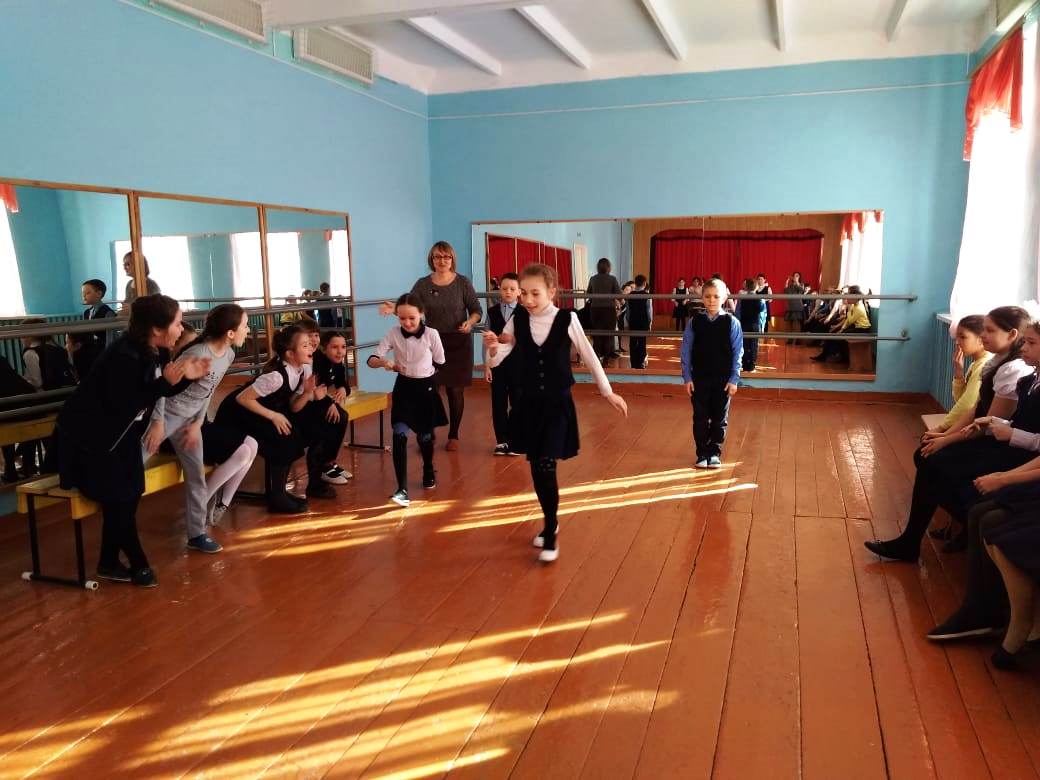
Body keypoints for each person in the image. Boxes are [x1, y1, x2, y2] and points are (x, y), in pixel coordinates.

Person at [50, 294, 210, 587]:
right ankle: (139, 564)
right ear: (156, 329)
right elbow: (124, 403)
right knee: (119, 499)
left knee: (130, 494)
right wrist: (166, 383)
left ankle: (108, 562)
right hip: (89, 442)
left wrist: (187, 378)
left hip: (120, 438)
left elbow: (159, 391)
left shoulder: (155, 350)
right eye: (177, 323)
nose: (181, 328)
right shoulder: (124, 355)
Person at [864, 307, 1036, 563]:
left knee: (934, 462)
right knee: (927, 457)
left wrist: (947, 438)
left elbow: (985, 424)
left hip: (1003, 447)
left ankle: (925, 536)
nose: (984, 335)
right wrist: (945, 436)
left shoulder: (1015, 370)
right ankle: (952, 525)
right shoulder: (997, 362)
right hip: (994, 438)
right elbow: (976, 409)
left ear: (1012, 334)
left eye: (990, 331)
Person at [484, 263, 628, 563]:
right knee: (538, 466)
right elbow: (499, 359)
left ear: (551, 292)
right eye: (523, 293)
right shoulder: (517, 320)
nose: (527, 300)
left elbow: (589, 355)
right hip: (528, 404)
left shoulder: (567, 319)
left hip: (556, 404)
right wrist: (493, 348)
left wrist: (607, 392)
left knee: (546, 464)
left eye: (534, 293)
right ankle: (551, 520)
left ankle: (550, 530)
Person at [143, 304, 258, 551]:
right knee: (134, 461)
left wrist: (197, 423)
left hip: (189, 422)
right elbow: (163, 389)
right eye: (245, 325)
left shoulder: (228, 355)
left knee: (196, 477)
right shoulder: (197, 353)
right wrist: (157, 423)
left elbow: (208, 392)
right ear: (230, 332)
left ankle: (196, 534)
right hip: (166, 416)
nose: (248, 330)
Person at [216, 324, 338, 513]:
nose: (311, 347)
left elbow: (294, 406)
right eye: (305, 345)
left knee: (293, 434)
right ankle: (277, 497)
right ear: (290, 354)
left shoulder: (301, 370)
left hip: (261, 410)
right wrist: (274, 416)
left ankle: (279, 492)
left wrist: (307, 392)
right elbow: (242, 398)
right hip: (238, 414)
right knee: (284, 439)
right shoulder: (276, 377)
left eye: (310, 343)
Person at [381, 241, 481, 451]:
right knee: (429, 389)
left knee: (455, 391)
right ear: (432, 259)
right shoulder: (423, 284)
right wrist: (395, 308)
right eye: (437, 257)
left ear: (452, 259)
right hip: (430, 343)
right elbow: (410, 306)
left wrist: (470, 322)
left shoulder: (463, 282)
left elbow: (476, 310)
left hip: (458, 342)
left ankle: (454, 435)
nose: (442, 261)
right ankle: (428, 432)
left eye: (446, 257)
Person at [368, 294, 447, 506]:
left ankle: (428, 468)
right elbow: (372, 359)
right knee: (399, 434)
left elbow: (440, 361)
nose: (407, 323)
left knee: (425, 436)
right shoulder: (393, 333)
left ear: (421, 314)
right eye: (402, 318)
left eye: (412, 318)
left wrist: (425, 375)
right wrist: (384, 363)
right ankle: (401, 489)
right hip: (403, 388)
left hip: (425, 388)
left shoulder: (431, 334)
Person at [681, 279, 743, 469]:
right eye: (707, 296)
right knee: (700, 417)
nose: (712, 300)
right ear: (702, 298)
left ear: (724, 298)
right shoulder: (695, 322)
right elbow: (686, 350)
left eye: (716, 296)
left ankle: (714, 451)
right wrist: (687, 377)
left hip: (723, 380)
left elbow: (737, 352)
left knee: (719, 418)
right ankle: (702, 453)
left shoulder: (732, 322)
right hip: (699, 378)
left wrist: (734, 379)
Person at [925, 315, 991, 435]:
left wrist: (942, 427)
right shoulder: (976, 364)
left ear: (981, 339)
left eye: (963, 337)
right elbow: (960, 399)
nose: (957, 342)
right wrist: (959, 372)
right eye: (957, 337)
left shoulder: (984, 365)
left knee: (927, 441)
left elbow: (967, 405)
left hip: (978, 429)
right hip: (970, 423)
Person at [485, 273, 522, 455]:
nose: (508, 292)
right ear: (500, 290)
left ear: (519, 292)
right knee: (498, 403)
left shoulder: (525, 312)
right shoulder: (492, 312)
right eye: (505, 288)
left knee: (518, 402)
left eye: (512, 289)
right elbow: (487, 341)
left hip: (518, 365)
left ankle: (515, 441)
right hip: (497, 365)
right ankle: (501, 441)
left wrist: (512, 339)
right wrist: (487, 365)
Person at [312, 330, 353, 483]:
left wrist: (343, 389)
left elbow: (343, 383)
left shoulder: (337, 363)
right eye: (335, 347)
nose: (340, 351)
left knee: (342, 416)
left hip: (321, 399)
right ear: (324, 349)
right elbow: (314, 390)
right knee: (335, 418)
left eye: (343, 347)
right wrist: (329, 404)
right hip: (307, 402)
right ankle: (323, 466)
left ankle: (330, 462)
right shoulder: (316, 362)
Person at [811, 285, 871, 363]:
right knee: (833, 334)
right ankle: (824, 356)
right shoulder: (855, 305)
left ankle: (844, 358)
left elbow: (850, 320)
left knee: (839, 337)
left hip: (862, 329)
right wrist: (841, 329)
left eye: (849, 294)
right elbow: (847, 320)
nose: (847, 297)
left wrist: (848, 311)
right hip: (855, 326)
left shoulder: (858, 307)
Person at [75, 278, 116, 379]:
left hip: (100, 352)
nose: (84, 296)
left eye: (88, 293)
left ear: (99, 293)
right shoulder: (87, 313)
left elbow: (110, 338)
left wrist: (108, 357)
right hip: (89, 352)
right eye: (83, 293)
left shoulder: (107, 312)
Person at [586, 258, 622, 363]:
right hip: (609, 310)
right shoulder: (612, 279)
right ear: (609, 267)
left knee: (597, 335)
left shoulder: (593, 279)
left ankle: (597, 358)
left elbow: (588, 294)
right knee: (609, 335)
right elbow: (619, 295)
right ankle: (606, 359)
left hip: (595, 310)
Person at [735, 278, 765, 372]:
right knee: (754, 344)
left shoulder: (742, 298)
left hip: (744, 323)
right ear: (756, 287)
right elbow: (762, 312)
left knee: (744, 344)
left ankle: (744, 364)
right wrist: (762, 326)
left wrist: (738, 324)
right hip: (755, 324)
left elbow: (737, 312)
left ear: (746, 287)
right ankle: (752, 365)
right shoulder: (760, 298)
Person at [627, 275, 652, 370]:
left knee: (633, 342)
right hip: (643, 322)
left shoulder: (630, 295)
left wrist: (629, 321)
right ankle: (641, 363)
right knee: (642, 342)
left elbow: (628, 312)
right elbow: (649, 311)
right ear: (645, 283)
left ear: (635, 283)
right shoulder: (647, 295)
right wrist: (650, 322)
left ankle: (633, 363)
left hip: (633, 321)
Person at [617, 280, 634, 355]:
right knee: (617, 332)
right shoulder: (620, 298)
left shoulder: (628, 299)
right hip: (616, 318)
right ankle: (616, 348)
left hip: (621, 318)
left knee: (620, 331)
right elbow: (618, 309)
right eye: (626, 290)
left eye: (629, 290)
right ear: (622, 290)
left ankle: (619, 347)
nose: (628, 291)